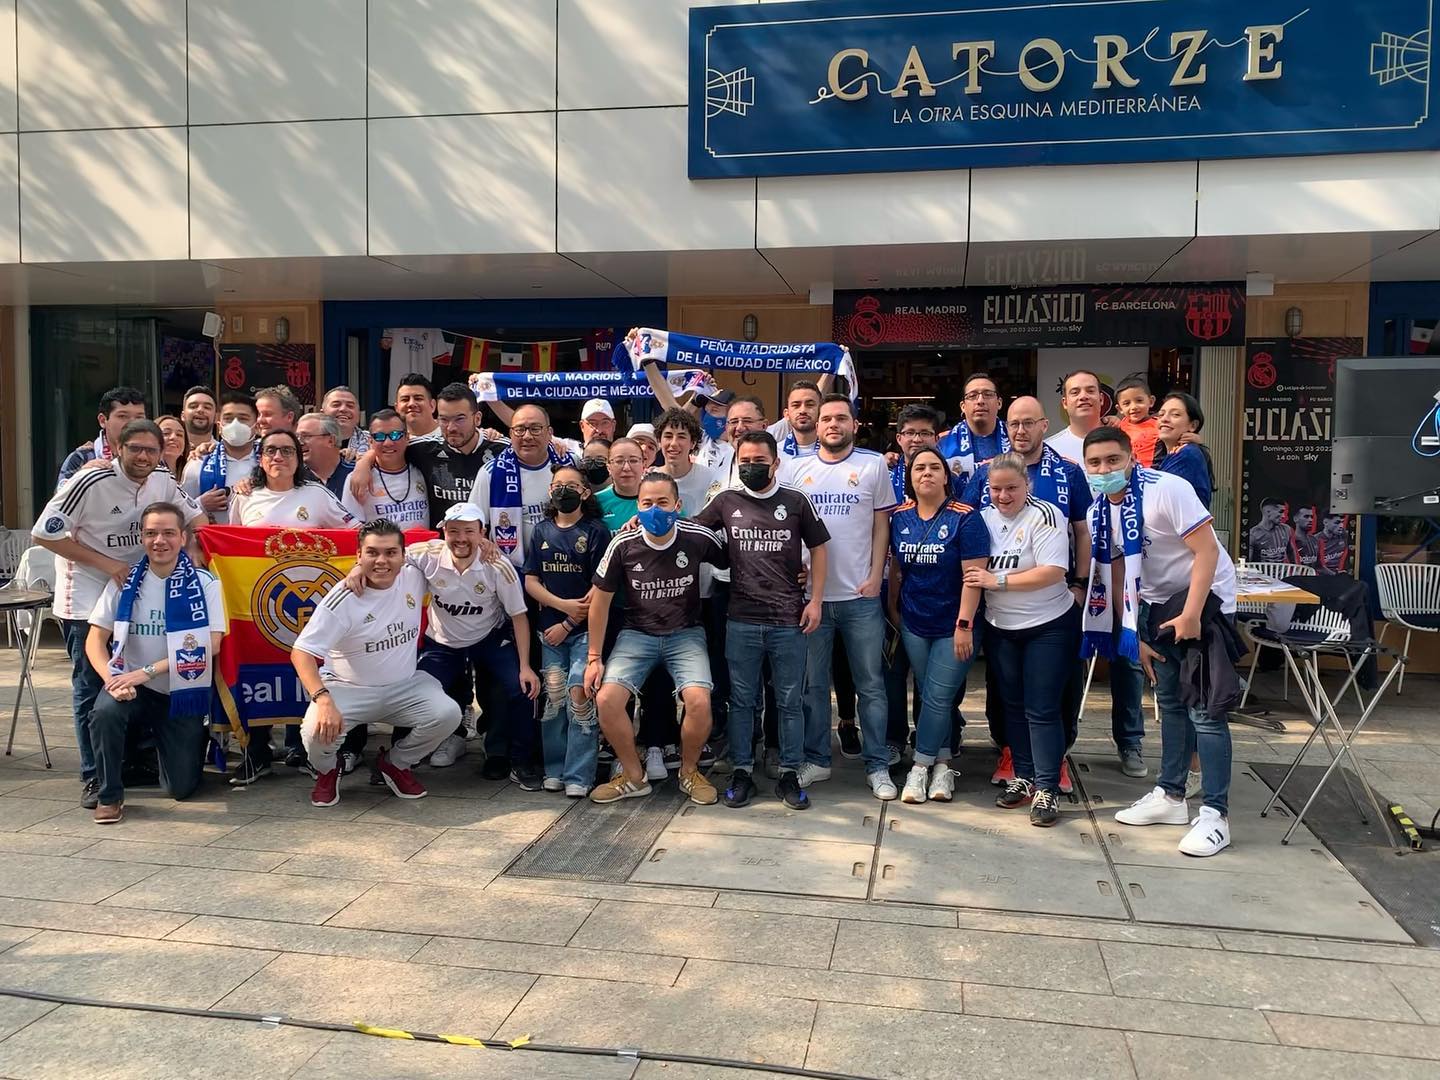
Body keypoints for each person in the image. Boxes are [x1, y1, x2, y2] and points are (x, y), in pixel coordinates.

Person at [1082, 427, 1239, 857]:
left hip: (1204, 601)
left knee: (1205, 710)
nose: (1104, 470)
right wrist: (1134, 633)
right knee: (1169, 701)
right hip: (1155, 606)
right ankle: (1171, 795)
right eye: (1094, 463)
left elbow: (1207, 551)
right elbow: (1117, 571)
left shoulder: (1167, 489)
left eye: (1112, 460)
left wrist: (1192, 614)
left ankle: (1216, 815)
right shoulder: (1100, 511)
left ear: (1131, 458)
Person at [33, 419, 205, 809]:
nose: (143, 456)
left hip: (139, 590)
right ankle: (95, 776)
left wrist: (194, 545)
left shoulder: (162, 478)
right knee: (93, 685)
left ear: (161, 453)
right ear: (117, 448)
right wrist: (107, 564)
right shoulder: (89, 480)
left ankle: (135, 761)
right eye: (135, 449)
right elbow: (44, 533)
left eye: (151, 450)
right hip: (88, 592)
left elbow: (195, 517)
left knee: (137, 677)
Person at [694, 431, 829, 809]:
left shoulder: (796, 501)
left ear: (775, 463)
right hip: (741, 619)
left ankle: (789, 773)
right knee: (742, 701)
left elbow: (819, 549)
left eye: (759, 461)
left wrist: (816, 600)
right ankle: (742, 771)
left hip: (789, 620)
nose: (752, 467)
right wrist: (640, 524)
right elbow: (691, 531)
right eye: (745, 461)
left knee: (789, 701)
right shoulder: (726, 500)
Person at [964, 396, 1093, 787]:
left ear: (1044, 425)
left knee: (1052, 695)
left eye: (1028, 423)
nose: (1020, 430)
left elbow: (1082, 532)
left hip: (1050, 609)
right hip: (1000, 616)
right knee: (1008, 695)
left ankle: (1053, 765)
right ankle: (1016, 761)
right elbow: (963, 526)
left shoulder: (1067, 472)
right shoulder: (984, 474)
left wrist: (1080, 584)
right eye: (1014, 424)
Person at [293, 519, 460, 807]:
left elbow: (452, 547)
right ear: (358, 555)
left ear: (404, 556)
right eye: (372, 553)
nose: (382, 561)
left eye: (390, 553)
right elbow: (301, 652)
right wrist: (323, 700)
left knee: (448, 714)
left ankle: (395, 763)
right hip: (348, 689)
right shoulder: (343, 598)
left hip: (404, 686)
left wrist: (483, 542)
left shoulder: (413, 575)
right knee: (314, 732)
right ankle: (327, 770)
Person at [584, 472, 727, 805]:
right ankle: (634, 776)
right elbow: (599, 603)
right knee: (607, 700)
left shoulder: (697, 536)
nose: (654, 510)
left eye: (663, 502)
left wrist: (796, 570)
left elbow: (736, 560)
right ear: (637, 506)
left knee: (699, 700)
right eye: (647, 503)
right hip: (637, 634)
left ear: (678, 505)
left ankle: (689, 772)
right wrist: (593, 657)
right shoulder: (623, 543)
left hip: (685, 633)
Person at [781, 394, 898, 800]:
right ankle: (818, 759)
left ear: (854, 424)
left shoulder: (873, 465)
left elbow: (881, 526)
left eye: (841, 418)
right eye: (826, 418)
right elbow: (790, 529)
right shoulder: (796, 469)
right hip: (812, 599)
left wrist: (876, 576)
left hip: (859, 596)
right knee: (813, 686)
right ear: (816, 425)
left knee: (871, 685)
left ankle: (877, 764)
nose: (833, 424)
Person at [83, 502, 225, 823]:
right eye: (151, 533)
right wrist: (112, 679)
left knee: (181, 788)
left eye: (168, 533)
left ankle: (156, 754)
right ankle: (109, 795)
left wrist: (143, 673)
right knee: (104, 712)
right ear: (142, 538)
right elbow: (94, 639)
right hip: (131, 689)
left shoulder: (205, 583)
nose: (159, 541)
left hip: (179, 692)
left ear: (183, 537)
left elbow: (211, 645)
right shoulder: (124, 582)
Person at [967, 454, 1079, 826]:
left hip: (1048, 624)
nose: (1003, 496)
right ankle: (1025, 775)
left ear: (1026, 485)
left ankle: (1047, 787)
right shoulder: (982, 518)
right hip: (1001, 627)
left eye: (1011, 488)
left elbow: (1052, 571)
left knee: (1042, 707)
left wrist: (996, 581)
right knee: (1012, 704)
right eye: (995, 489)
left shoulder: (1045, 514)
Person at [889, 447, 987, 805]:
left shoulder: (966, 518)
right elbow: (897, 569)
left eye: (934, 467)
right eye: (919, 468)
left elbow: (973, 578)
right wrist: (894, 609)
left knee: (937, 696)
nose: (926, 473)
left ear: (946, 476)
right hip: (914, 621)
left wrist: (964, 624)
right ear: (910, 477)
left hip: (954, 624)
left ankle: (919, 766)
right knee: (932, 695)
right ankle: (943, 764)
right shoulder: (900, 517)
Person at [525, 464, 611, 796]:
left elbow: (598, 590)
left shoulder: (596, 531)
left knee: (580, 695)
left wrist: (569, 622)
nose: (563, 491)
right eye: (557, 485)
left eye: (571, 486)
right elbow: (532, 580)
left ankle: (579, 774)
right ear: (550, 491)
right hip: (549, 632)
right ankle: (554, 769)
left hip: (585, 632)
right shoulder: (541, 530)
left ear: (585, 492)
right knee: (554, 697)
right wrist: (560, 609)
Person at [351, 382, 505, 527]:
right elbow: (390, 447)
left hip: (485, 543)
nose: (451, 428)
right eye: (444, 419)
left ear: (477, 418)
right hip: (438, 544)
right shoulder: (425, 448)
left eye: (460, 419)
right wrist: (364, 463)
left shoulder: (502, 450)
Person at [468, 403, 576, 568]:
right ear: (511, 434)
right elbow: (471, 523)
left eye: (535, 429)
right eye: (519, 430)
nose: (527, 436)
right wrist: (483, 543)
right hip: (511, 572)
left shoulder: (570, 463)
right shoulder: (491, 473)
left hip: (567, 567)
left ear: (550, 433)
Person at [229, 430, 356, 529]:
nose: (278, 457)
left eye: (287, 451)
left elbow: (355, 531)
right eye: (270, 451)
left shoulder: (318, 494)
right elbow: (231, 540)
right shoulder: (244, 496)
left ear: (298, 460)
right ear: (261, 460)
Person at [342, 410, 430, 528]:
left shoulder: (424, 468)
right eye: (379, 437)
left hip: (424, 541)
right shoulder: (357, 479)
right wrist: (364, 462)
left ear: (407, 437)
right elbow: (351, 528)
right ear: (370, 441)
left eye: (395, 435)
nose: (388, 443)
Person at [183, 392, 259, 522]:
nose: (235, 424)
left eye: (243, 419)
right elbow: (180, 511)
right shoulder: (198, 463)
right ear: (219, 426)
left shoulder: (270, 464)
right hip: (212, 534)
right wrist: (201, 504)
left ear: (256, 427)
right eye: (228, 419)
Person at [58, 386, 147, 484]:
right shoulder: (82, 457)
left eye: (139, 417)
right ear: (103, 420)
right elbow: (60, 493)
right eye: (123, 416)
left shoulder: (152, 454)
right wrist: (82, 476)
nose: (133, 423)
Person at [937, 371, 1010, 482]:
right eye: (972, 396)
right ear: (963, 406)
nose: (980, 401)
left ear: (999, 403)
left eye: (988, 394)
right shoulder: (943, 443)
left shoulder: (1016, 437)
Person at [1154, 392, 1213, 510]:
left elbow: (1154, 497)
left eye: (1175, 414)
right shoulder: (1167, 455)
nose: (1164, 419)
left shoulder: (1187, 454)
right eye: (1161, 415)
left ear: (1193, 425)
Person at [1046, 369, 1105, 464]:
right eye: (1075, 392)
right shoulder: (1049, 450)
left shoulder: (1125, 439)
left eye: (1090, 391)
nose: (1083, 396)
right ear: (1065, 403)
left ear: (1101, 399)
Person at [295, 412, 353, 499]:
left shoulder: (356, 473)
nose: (299, 443)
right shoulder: (294, 478)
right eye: (297, 437)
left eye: (306, 436)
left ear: (331, 440)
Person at [768, 379, 829, 458]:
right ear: (786, 414)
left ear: (821, 411)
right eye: (796, 405)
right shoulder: (775, 454)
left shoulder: (835, 451)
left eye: (810, 405)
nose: (802, 410)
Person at [595, 437, 645, 530]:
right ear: (609, 468)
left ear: (643, 465)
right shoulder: (596, 502)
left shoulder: (658, 498)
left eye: (633, 461)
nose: (626, 468)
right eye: (619, 461)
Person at [1114, 375, 1161, 468]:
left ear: (1151, 401)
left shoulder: (1160, 424)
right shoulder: (1119, 425)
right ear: (1120, 409)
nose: (1134, 407)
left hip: (1152, 471)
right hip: (1127, 472)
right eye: (1127, 403)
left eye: (1139, 400)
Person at [322, 385, 370, 455]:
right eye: (336, 405)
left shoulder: (375, 441)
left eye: (350, 406)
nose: (343, 409)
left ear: (358, 414)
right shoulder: (310, 440)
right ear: (322, 413)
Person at [396, 373, 442, 443]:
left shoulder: (449, 435)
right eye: (405, 399)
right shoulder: (392, 441)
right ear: (396, 408)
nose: (411, 404)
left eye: (418, 398)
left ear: (432, 405)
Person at [1247, 498, 1293, 563]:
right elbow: (1247, 563)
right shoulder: (1253, 534)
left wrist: (1297, 568)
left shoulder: (1286, 529)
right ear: (1268, 512)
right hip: (1261, 569)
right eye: (1280, 512)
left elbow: (1291, 552)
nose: (1283, 516)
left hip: (1282, 569)